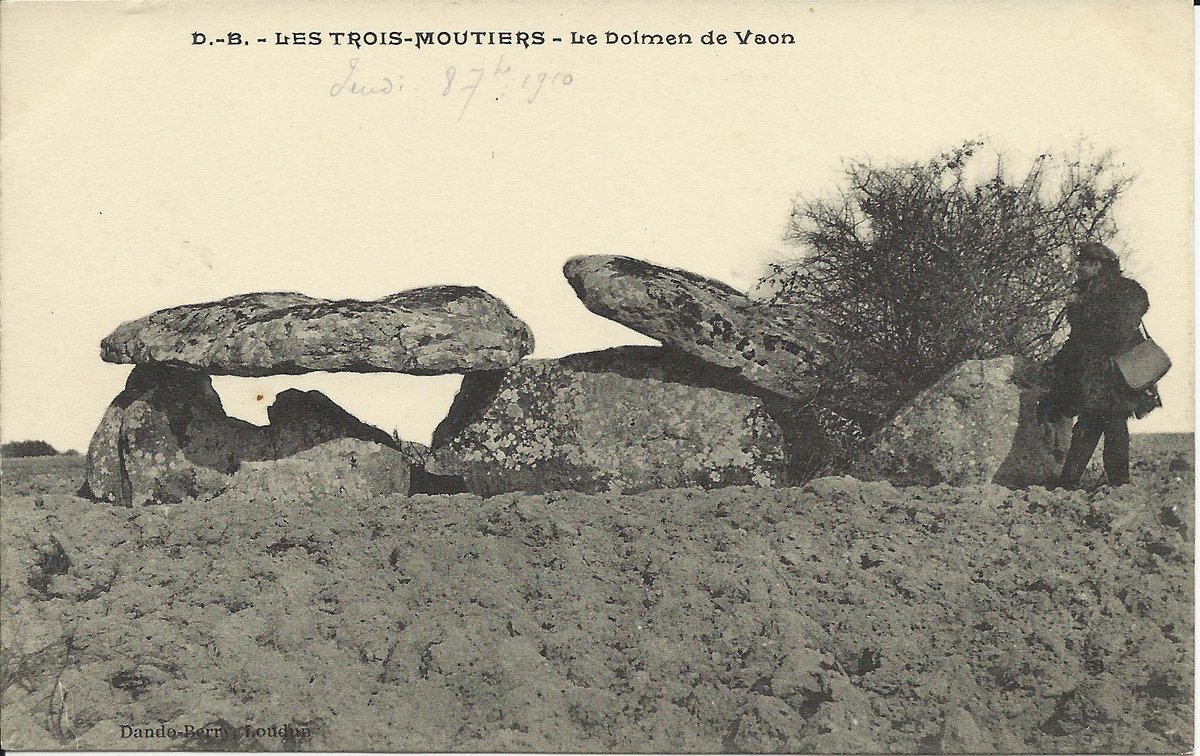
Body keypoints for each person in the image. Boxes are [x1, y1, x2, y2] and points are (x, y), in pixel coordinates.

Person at [1039, 241, 1160, 489]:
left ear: (1098, 265)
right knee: (1097, 423)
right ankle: (1103, 484)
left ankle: (1106, 484)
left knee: (1105, 423)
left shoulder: (1124, 291)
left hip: (1117, 371)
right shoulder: (1083, 293)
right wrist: (1058, 362)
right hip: (1094, 372)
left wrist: (1089, 313)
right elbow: (1077, 339)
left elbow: (1119, 329)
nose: (1078, 267)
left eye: (1084, 262)